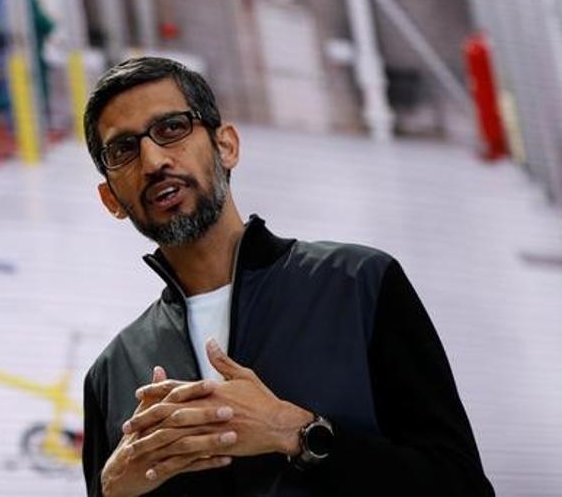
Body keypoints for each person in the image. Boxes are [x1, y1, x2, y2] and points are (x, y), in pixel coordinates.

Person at [80, 57, 493, 497]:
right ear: (111, 199)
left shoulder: (358, 285)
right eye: (123, 150)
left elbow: (461, 485)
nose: (153, 160)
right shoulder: (112, 375)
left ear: (226, 147)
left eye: (172, 129)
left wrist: (295, 432)